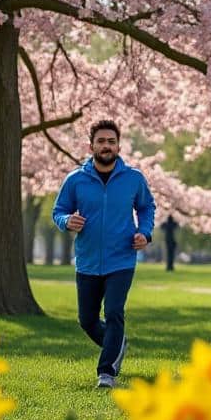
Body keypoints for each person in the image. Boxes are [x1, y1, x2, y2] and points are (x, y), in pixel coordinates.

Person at [52, 120, 156, 389]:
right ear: (91, 146)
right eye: (101, 141)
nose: (106, 146)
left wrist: (144, 233)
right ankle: (117, 342)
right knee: (86, 320)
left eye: (111, 141)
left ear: (118, 146)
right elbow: (59, 210)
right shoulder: (75, 180)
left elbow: (147, 207)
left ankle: (106, 372)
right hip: (87, 260)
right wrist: (67, 221)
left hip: (121, 258)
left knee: (113, 312)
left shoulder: (133, 178)